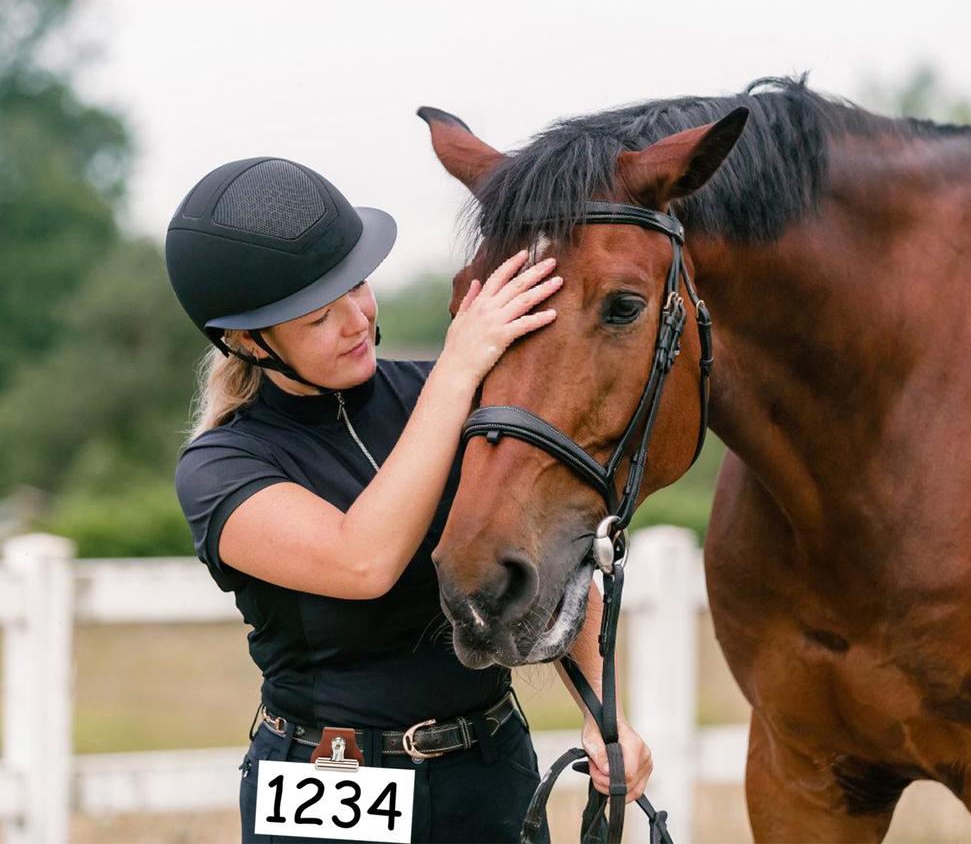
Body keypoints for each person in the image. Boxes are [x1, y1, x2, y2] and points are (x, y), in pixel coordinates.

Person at [165, 156, 652, 844]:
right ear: (251, 343)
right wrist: (458, 371)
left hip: (489, 767)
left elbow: (548, 553)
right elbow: (362, 561)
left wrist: (606, 715)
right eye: (319, 318)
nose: (356, 320)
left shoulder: (445, 394)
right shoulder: (221, 467)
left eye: (357, 287)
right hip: (329, 780)